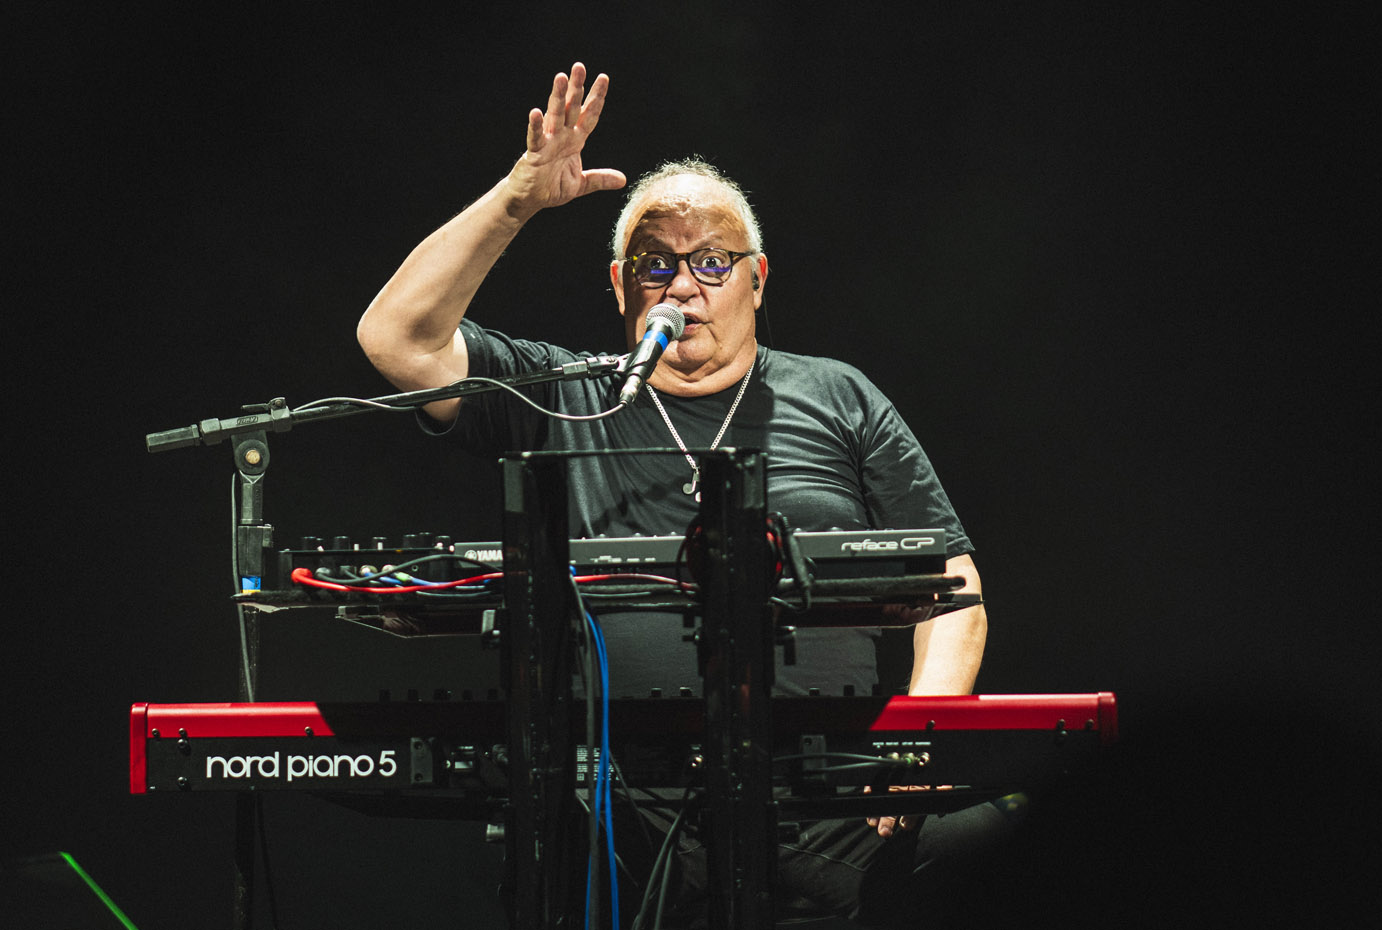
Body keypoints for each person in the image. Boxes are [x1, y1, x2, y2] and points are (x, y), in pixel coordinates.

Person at [358, 62, 1009, 928]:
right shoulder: (566, 393)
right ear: (619, 285)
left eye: (711, 261)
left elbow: (953, 585)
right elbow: (396, 339)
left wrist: (915, 737)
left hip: (831, 795)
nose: (682, 283)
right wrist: (518, 198)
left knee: (1005, 847)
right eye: (654, 263)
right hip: (618, 805)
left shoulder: (839, 396)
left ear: (757, 279)